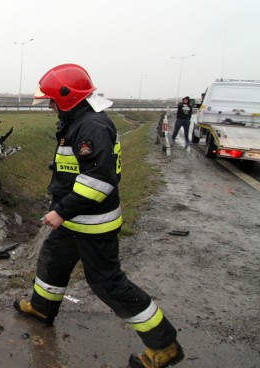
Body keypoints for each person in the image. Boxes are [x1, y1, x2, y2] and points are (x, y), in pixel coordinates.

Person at [14, 64, 184, 368]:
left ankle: (164, 345)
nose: (50, 107)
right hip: (75, 219)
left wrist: (61, 211)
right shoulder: (79, 122)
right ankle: (42, 308)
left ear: (67, 99)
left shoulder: (91, 128)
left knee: (108, 282)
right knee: (52, 259)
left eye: (52, 101)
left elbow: (99, 181)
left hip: (93, 223)